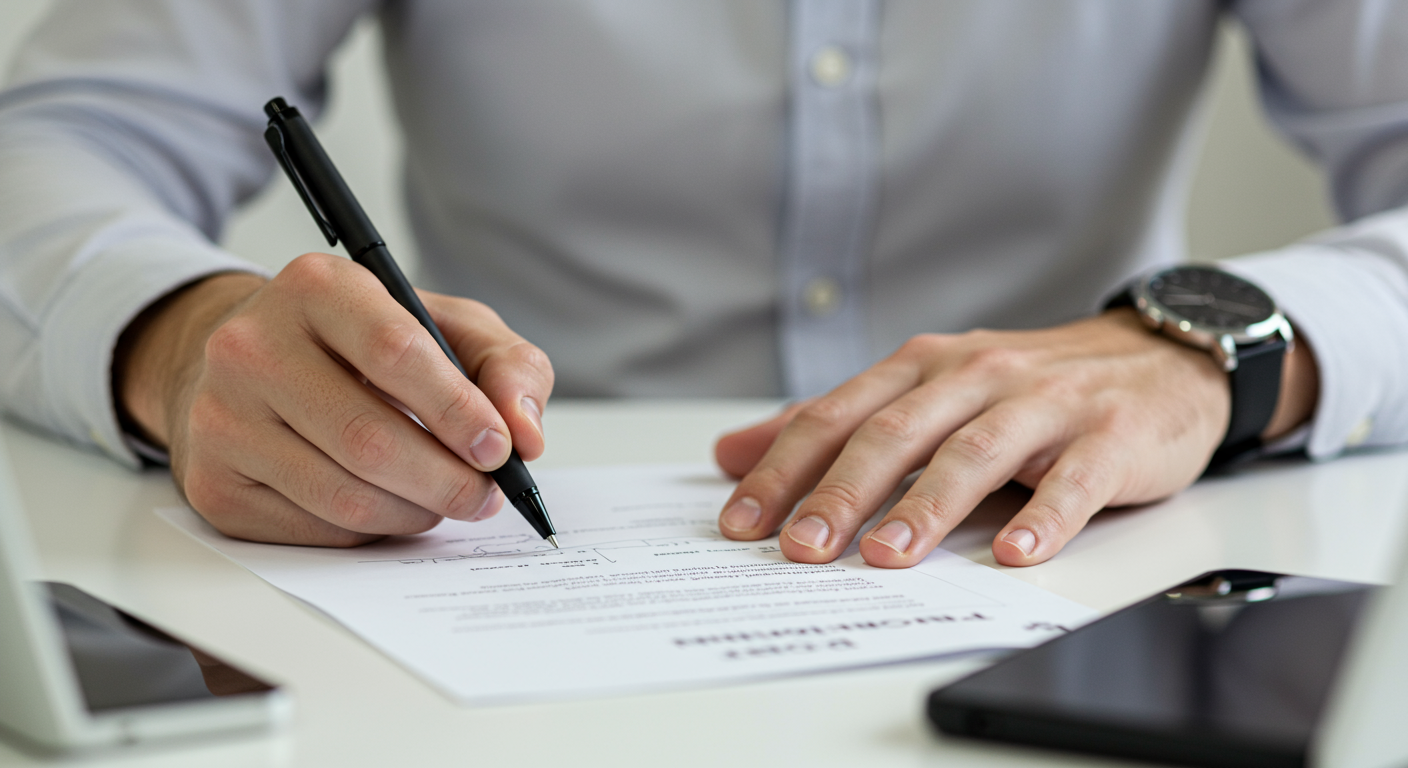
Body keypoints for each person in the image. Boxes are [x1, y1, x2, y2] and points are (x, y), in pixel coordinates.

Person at [0, 1, 1404, 569]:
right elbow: (54, 141)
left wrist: (1210, 352)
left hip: (1079, 585)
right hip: (477, 589)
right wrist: (180, 342)